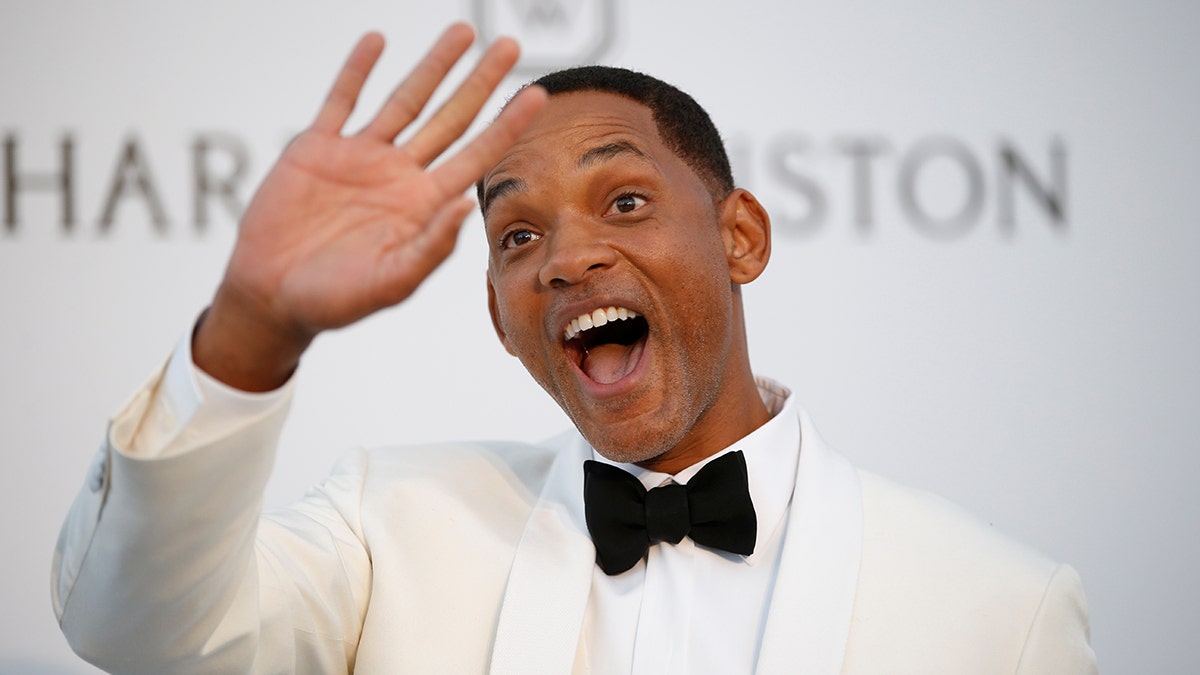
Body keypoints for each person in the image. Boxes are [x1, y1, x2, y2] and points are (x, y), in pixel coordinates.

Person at [52, 23, 1096, 674]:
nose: (567, 258)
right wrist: (252, 322)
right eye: (518, 236)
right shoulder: (390, 526)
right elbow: (140, 631)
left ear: (741, 237)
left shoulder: (998, 610)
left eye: (626, 199)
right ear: (501, 317)